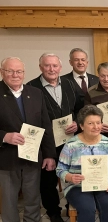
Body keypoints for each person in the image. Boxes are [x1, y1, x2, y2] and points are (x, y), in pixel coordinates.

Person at [0, 57, 56, 222]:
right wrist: (4, 136)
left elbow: (45, 125)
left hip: (32, 156)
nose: (15, 75)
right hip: (6, 158)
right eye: (10, 71)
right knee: (9, 202)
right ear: (2, 72)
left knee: (32, 200)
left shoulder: (35, 93)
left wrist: (49, 155)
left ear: (24, 73)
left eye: (19, 71)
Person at [26, 53, 79, 222]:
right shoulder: (31, 88)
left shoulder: (70, 85)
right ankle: (53, 212)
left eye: (55, 66)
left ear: (60, 67)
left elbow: (80, 108)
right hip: (46, 143)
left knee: (73, 175)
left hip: (70, 142)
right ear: (40, 67)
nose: (51, 69)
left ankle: (73, 206)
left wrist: (78, 122)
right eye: (47, 66)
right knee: (48, 180)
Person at [56, 105, 108, 222]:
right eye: (90, 123)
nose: (96, 127)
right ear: (81, 126)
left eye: (98, 122)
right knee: (87, 208)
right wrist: (70, 177)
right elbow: (60, 169)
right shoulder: (71, 145)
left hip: (103, 184)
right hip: (77, 187)